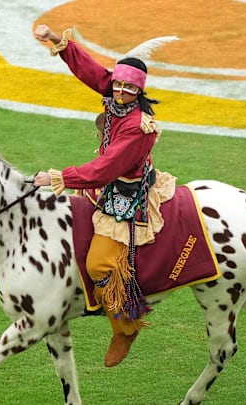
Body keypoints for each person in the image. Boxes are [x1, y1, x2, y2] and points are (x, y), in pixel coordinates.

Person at [33, 25, 177, 367]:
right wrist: (58, 42)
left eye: (128, 89)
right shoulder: (114, 94)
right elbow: (91, 71)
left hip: (126, 191)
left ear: (138, 92)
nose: (121, 93)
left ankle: (126, 326)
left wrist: (58, 177)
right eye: (118, 85)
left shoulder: (139, 126)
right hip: (108, 184)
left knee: (99, 262)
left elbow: (104, 170)